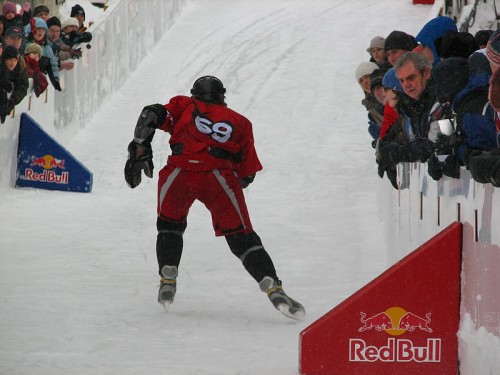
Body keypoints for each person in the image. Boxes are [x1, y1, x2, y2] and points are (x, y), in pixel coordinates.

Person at [123, 76, 306, 321]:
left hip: (178, 171)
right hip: (217, 175)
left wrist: (139, 149)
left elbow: (150, 114)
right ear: (223, 97)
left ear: (194, 94)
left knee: (169, 226)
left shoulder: (184, 105)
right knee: (241, 237)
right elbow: (247, 173)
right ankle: (272, 286)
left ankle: (168, 277)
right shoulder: (240, 122)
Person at [428, 54, 495, 180]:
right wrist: (443, 155)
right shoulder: (460, 105)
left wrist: (457, 154)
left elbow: (482, 151)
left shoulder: (472, 108)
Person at [378, 52, 439, 169]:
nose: (406, 85)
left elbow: (434, 145)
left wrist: (399, 152)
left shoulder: (439, 100)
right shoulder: (410, 108)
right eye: (402, 81)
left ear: (426, 73)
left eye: (411, 78)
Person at [25, 17, 62, 91]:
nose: (40, 32)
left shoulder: (48, 49)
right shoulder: (25, 45)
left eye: (43, 29)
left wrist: (55, 80)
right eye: (38, 29)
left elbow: (53, 65)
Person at [355, 61, 384, 143]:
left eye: (367, 76)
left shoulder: (394, 94)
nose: (365, 82)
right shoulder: (371, 110)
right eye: (361, 81)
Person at [2, 27, 28, 115]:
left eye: (18, 38)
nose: (15, 41)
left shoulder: (20, 62)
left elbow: (23, 85)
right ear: (6, 38)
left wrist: (13, 99)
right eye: (12, 38)